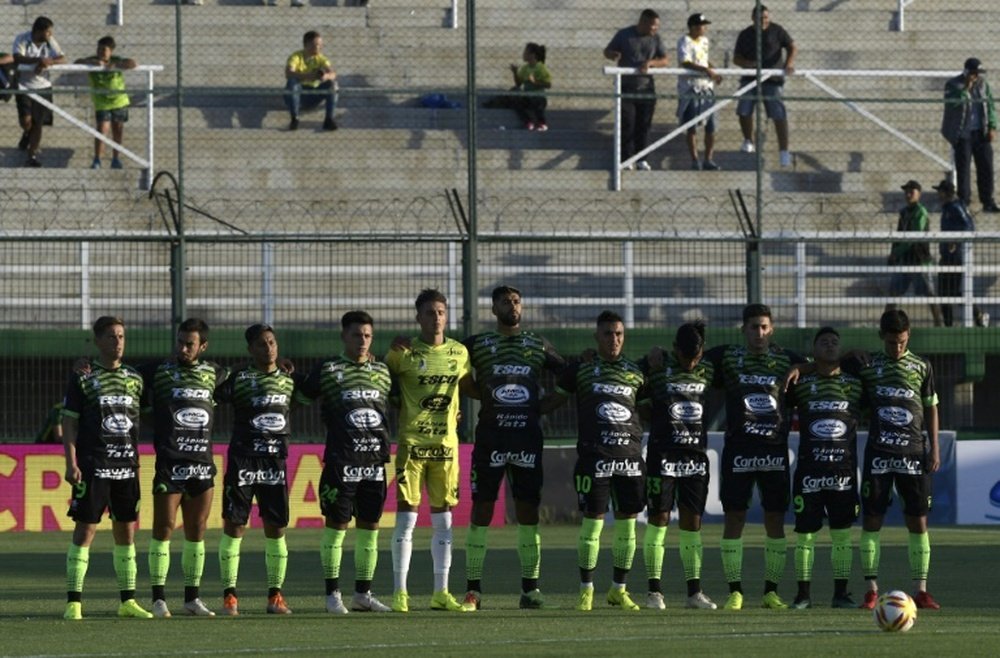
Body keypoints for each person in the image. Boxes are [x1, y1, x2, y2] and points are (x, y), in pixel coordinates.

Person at [460, 286, 565, 611]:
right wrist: (482, 395)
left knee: (528, 512)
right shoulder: (477, 345)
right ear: (493, 309)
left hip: (526, 439)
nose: (512, 305)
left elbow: (569, 377)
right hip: (491, 437)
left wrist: (540, 406)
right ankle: (473, 591)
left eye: (517, 300)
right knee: (482, 511)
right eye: (506, 301)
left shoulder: (537, 344)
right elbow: (453, 368)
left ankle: (530, 589)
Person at [700, 303, 805, 610]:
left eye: (764, 327)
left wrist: (802, 368)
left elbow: (825, 364)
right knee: (735, 518)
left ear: (771, 330)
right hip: (739, 451)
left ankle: (771, 592)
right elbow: (691, 357)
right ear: (743, 330)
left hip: (774, 450)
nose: (759, 333)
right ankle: (735, 591)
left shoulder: (786, 358)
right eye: (753, 327)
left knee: (775, 520)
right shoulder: (729, 356)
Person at [549, 310, 648, 612]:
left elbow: (647, 410)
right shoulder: (582, 368)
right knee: (592, 527)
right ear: (596, 336)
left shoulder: (636, 372)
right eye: (607, 333)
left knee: (627, 528)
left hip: (630, 458)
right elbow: (555, 398)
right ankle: (586, 590)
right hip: (595, 459)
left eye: (618, 334)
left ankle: (619, 589)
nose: (614, 339)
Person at [386, 289, 475, 613]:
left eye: (440, 311)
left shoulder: (459, 353)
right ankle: (400, 593)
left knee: (444, 522)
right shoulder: (402, 353)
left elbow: (465, 389)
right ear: (418, 318)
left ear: (446, 315)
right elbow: (385, 385)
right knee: (407, 519)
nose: (436, 317)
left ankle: (441, 591)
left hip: (446, 448)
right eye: (429, 312)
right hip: (412, 445)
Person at [298, 310, 393, 614]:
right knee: (337, 526)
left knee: (370, 527)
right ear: (344, 336)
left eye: (367, 335)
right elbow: (300, 396)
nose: (362, 340)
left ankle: (363, 594)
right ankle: (332, 594)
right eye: (356, 335)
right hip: (342, 460)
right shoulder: (329, 369)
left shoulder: (382, 371)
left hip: (375, 462)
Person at [847, 310, 941, 611]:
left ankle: (921, 590)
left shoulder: (922, 366)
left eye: (900, 342)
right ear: (881, 338)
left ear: (908, 335)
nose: (896, 348)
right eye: (891, 343)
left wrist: (934, 448)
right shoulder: (869, 366)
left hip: (913, 453)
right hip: (879, 455)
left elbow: (931, 408)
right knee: (872, 520)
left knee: (918, 521)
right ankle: (871, 590)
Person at [61, 316, 152, 620]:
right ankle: (74, 602)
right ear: (98, 341)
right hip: (93, 465)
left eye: (122, 336)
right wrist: (71, 463)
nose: (118, 342)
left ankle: (127, 601)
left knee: (126, 532)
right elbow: (69, 421)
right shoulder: (84, 377)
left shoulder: (135, 378)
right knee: (85, 529)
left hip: (127, 465)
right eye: (112, 337)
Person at [142, 318, 228, 618]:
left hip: (202, 464)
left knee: (197, 530)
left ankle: (192, 599)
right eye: (179, 341)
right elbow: (123, 374)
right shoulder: (160, 371)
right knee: (163, 528)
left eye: (189, 343)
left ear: (202, 346)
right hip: (170, 463)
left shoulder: (215, 373)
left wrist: (281, 367)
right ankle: (158, 598)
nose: (182, 348)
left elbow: (247, 378)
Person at [215, 323, 300, 616]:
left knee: (276, 529)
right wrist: (238, 367)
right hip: (243, 459)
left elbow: (304, 400)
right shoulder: (240, 378)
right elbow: (211, 390)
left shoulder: (290, 380)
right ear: (250, 349)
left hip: (275, 461)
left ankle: (275, 596)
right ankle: (230, 597)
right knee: (234, 526)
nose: (270, 348)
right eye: (262, 344)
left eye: (273, 342)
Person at [784, 327, 863, 609]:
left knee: (841, 534)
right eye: (824, 342)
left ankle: (840, 594)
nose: (830, 345)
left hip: (843, 473)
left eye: (834, 342)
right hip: (809, 472)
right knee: (805, 534)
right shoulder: (801, 383)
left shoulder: (856, 383)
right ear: (814, 349)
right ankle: (803, 595)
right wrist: (800, 368)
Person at [640, 321, 718, 610]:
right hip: (663, 455)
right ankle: (654, 592)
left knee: (692, 524)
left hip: (695, 458)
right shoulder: (656, 366)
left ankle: (694, 593)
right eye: (686, 357)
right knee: (658, 520)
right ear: (675, 349)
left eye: (696, 357)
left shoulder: (710, 367)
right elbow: (637, 391)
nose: (691, 362)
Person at [604, 9, 669, 171]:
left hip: (646, 88)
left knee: (644, 125)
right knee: (627, 124)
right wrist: (612, 54)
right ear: (643, 22)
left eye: (657, 26)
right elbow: (607, 51)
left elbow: (665, 60)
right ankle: (626, 159)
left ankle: (642, 159)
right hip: (626, 88)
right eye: (653, 26)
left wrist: (651, 63)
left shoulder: (656, 39)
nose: (655, 29)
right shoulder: (624, 34)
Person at [733, 4, 797, 167]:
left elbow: (792, 46)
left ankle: (784, 151)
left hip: (772, 79)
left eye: (766, 17)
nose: (763, 20)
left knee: (778, 114)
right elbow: (736, 58)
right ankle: (748, 140)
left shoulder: (777, 30)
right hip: (750, 78)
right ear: (752, 18)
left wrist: (789, 63)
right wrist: (747, 64)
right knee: (744, 109)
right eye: (760, 18)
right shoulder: (745, 34)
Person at [941, 57, 999, 213]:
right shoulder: (953, 84)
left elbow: (990, 106)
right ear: (967, 72)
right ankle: (964, 201)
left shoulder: (983, 86)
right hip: (962, 133)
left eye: (978, 73)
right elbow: (952, 103)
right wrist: (965, 89)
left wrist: (992, 126)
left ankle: (987, 200)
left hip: (981, 132)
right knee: (964, 168)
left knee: (986, 166)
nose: (977, 76)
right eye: (974, 73)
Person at [75, 36, 136, 170]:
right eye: (99, 49)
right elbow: (76, 62)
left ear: (111, 51)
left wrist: (115, 66)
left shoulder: (116, 60)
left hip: (119, 101)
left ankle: (116, 159)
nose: (101, 52)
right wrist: (91, 62)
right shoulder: (93, 60)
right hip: (102, 102)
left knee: (117, 130)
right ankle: (97, 159)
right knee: (102, 129)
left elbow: (132, 63)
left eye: (104, 49)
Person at [12, 16, 66, 167]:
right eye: (48, 32)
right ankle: (26, 132)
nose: (50, 35)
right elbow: (17, 58)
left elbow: (62, 58)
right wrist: (38, 60)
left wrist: (49, 61)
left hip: (43, 86)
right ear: (38, 31)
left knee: (38, 124)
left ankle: (32, 156)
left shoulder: (50, 41)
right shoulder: (22, 39)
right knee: (26, 121)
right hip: (24, 86)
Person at [887, 180, 943, 326]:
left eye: (911, 191)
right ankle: (886, 325)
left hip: (920, 261)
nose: (908, 194)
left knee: (931, 296)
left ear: (919, 194)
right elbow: (899, 235)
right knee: (892, 294)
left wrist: (896, 252)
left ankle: (939, 325)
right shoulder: (904, 212)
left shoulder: (920, 212)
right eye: (906, 191)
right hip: (905, 261)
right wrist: (893, 252)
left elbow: (914, 237)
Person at [933, 179, 987, 327]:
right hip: (947, 257)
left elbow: (969, 226)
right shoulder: (948, 208)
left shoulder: (956, 206)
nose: (938, 194)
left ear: (945, 193)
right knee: (945, 293)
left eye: (940, 191)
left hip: (955, 258)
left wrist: (955, 240)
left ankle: (977, 316)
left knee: (950, 292)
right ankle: (956, 324)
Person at [677, 13, 722, 171]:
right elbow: (686, 62)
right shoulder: (685, 41)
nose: (705, 28)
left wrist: (712, 69)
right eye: (702, 25)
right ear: (693, 27)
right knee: (692, 126)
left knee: (711, 125)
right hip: (691, 87)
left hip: (707, 87)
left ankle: (708, 159)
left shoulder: (704, 41)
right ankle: (695, 159)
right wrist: (706, 70)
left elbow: (704, 59)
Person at [284, 30, 337, 131]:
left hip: (313, 94)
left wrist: (326, 76)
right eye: (317, 44)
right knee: (292, 82)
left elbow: (333, 74)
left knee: (332, 84)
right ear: (307, 44)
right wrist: (309, 76)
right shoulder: (296, 56)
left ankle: (328, 119)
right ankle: (294, 118)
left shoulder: (321, 58)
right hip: (298, 93)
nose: (320, 47)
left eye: (321, 44)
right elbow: (288, 73)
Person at [504, 43, 552, 131]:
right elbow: (518, 84)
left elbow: (548, 84)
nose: (523, 54)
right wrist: (515, 72)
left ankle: (542, 123)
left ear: (532, 55)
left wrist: (535, 82)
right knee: (514, 93)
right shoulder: (525, 68)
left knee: (537, 101)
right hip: (528, 97)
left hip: (538, 98)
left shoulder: (540, 67)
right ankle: (528, 122)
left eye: (525, 52)